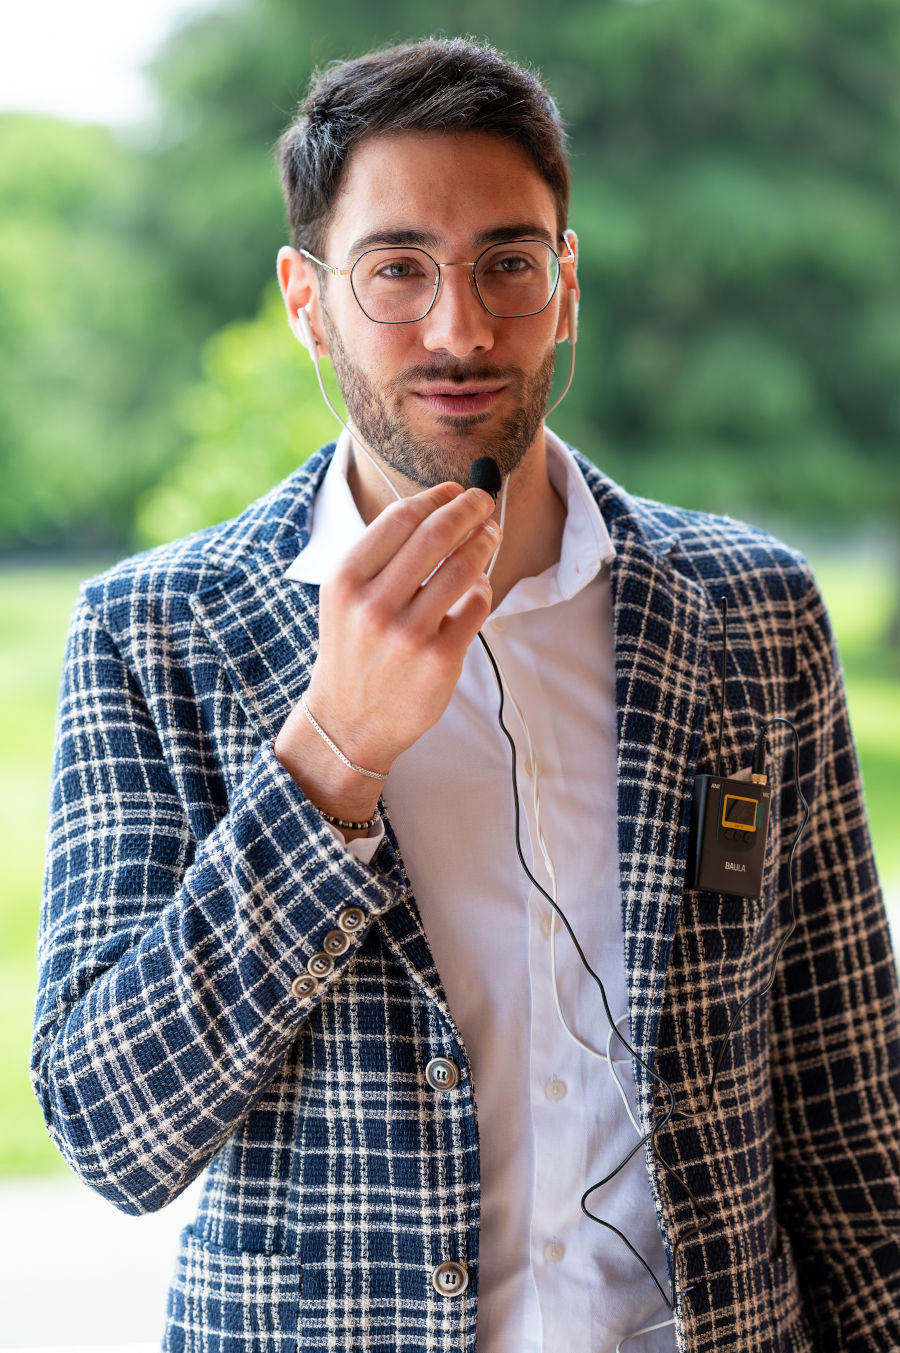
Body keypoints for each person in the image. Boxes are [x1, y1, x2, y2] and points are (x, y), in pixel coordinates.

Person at [32, 36, 900, 1353]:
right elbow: (111, 1132)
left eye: (509, 261)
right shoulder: (154, 630)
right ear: (306, 301)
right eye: (396, 270)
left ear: (566, 287)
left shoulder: (752, 607)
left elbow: (851, 1113)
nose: (460, 326)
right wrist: (332, 755)